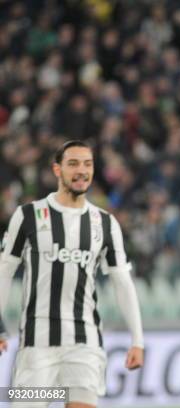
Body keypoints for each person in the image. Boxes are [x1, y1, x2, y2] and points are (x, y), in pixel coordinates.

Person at [0, 140, 144, 408]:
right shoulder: (28, 215)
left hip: (85, 341)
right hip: (36, 342)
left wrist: (137, 340)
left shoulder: (105, 223)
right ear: (57, 170)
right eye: (73, 164)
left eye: (87, 164)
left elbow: (122, 281)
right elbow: (4, 271)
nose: (82, 171)